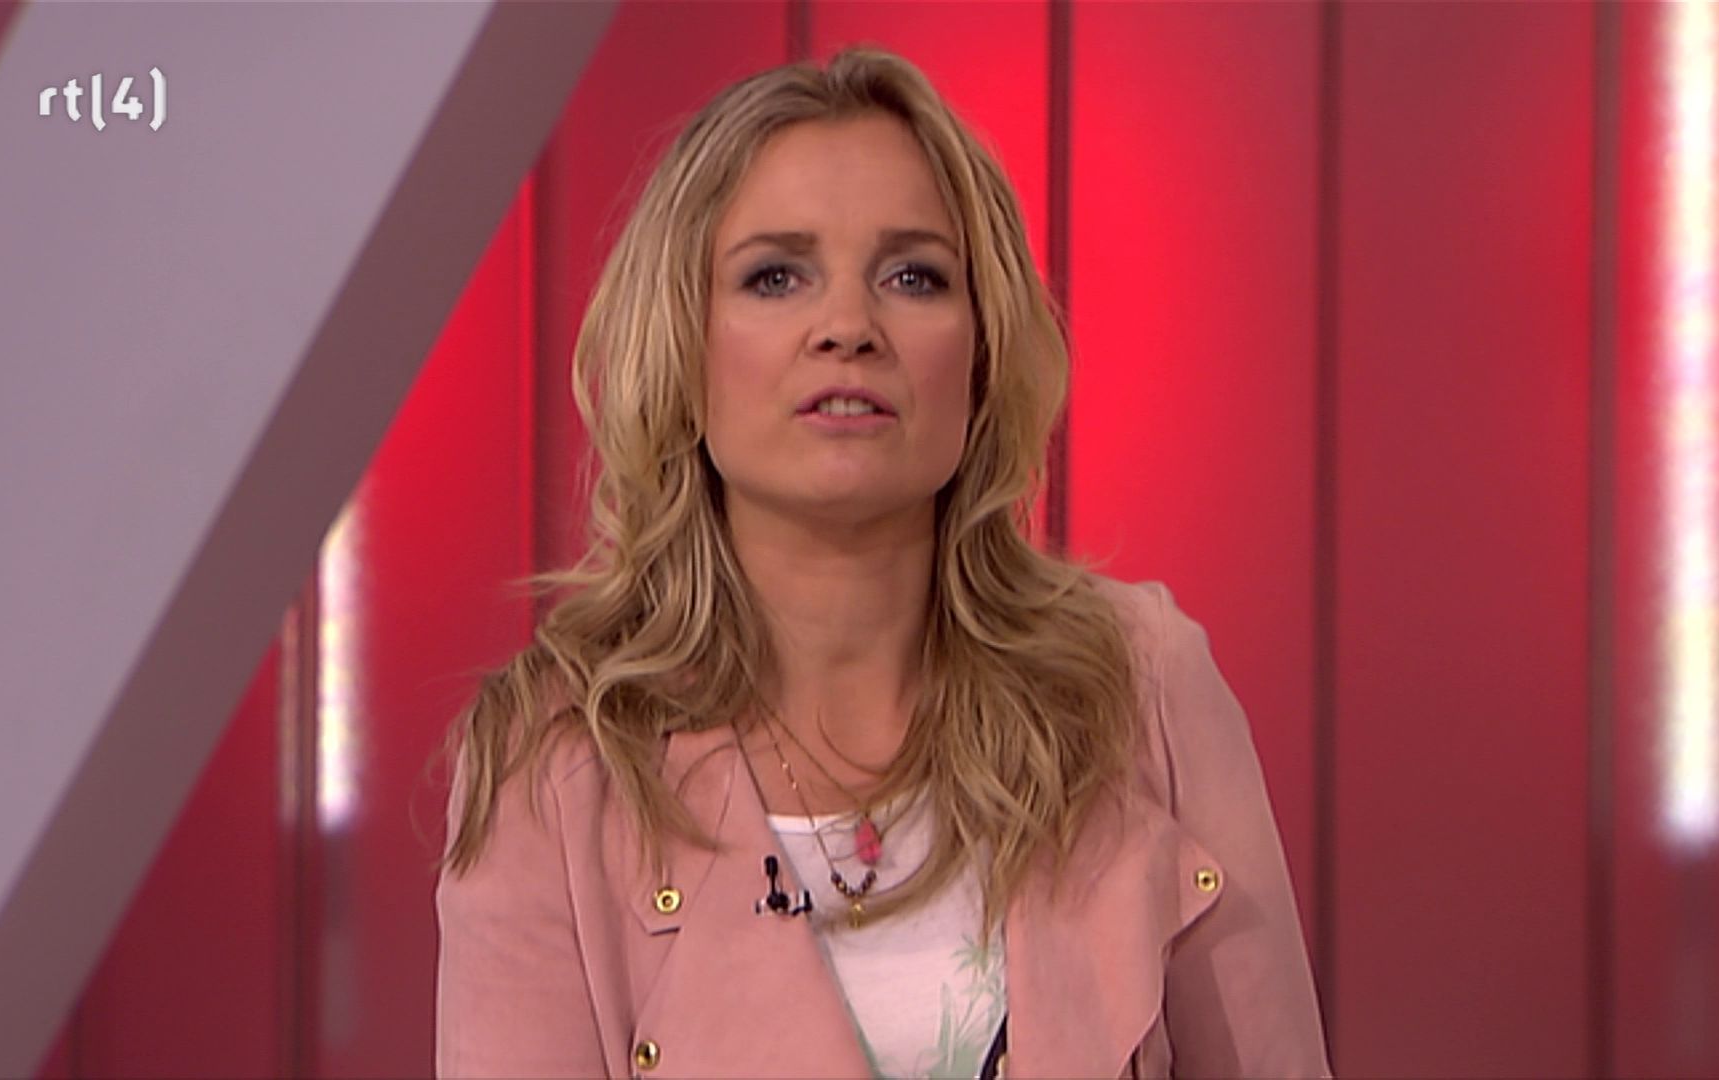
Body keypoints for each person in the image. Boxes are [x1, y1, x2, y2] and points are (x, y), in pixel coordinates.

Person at [434, 46, 1329, 1080]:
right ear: (682, 345)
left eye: (913, 276)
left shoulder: (1141, 686)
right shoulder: (556, 764)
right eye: (776, 276)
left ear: (982, 352)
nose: (849, 329)